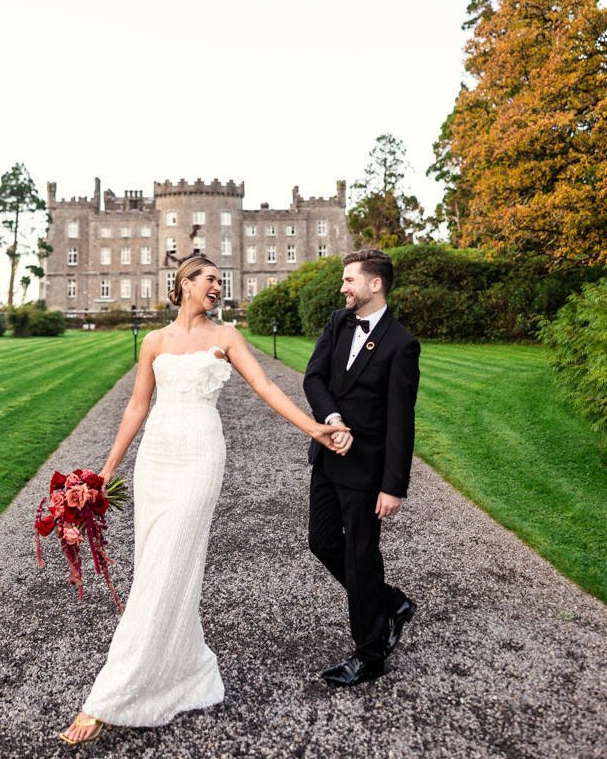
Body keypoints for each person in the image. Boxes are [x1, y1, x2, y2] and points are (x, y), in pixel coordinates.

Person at [59, 256, 352, 744]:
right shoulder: (154, 341)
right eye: (211, 279)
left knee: (173, 559)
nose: (218, 286)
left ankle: (109, 697)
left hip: (199, 456)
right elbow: (137, 406)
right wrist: (104, 473)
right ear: (185, 284)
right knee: (154, 565)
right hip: (156, 458)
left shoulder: (227, 337)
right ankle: (188, 671)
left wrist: (316, 429)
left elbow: (265, 387)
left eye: (221, 281)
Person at [303, 248, 420, 687]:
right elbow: (313, 378)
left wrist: (395, 486)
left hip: (368, 472)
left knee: (361, 557)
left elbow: (400, 423)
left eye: (349, 279)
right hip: (329, 458)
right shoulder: (337, 322)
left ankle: (371, 655)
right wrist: (332, 421)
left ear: (375, 284)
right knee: (322, 541)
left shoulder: (401, 344)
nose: (342, 287)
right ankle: (390, 602)